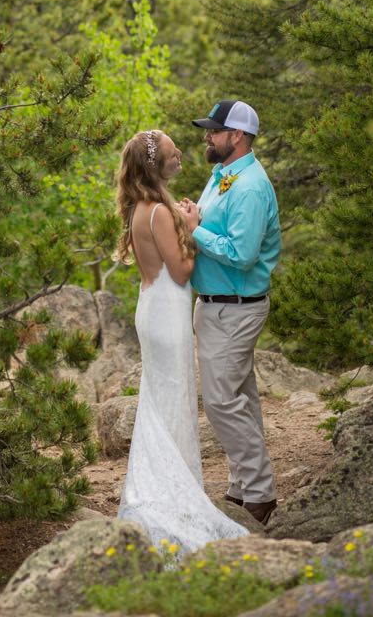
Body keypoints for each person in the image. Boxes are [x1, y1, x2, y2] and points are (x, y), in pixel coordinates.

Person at [114, 128, 248, 552]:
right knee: (171, 398)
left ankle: (166, 484)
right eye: (174, 154)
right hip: (167, 311)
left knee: (162, 399)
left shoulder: (142, 207)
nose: (181, 158)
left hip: (154, 308)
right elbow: (182, 271)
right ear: (156, 165)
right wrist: (191, 226)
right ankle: (170, 495)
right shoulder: (156, 210)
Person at [178, 100, 281, 526]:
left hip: (236, 308)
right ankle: (244, 487)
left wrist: (193, 229)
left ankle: (259, 492)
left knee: (221, 402)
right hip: (216, 306)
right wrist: (195, 216)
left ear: (236, 136)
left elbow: (242, 254)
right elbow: (212, 226)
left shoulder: (251, 186)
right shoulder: (222, 175)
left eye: (214, 131)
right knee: (241, 399)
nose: (207, 136)